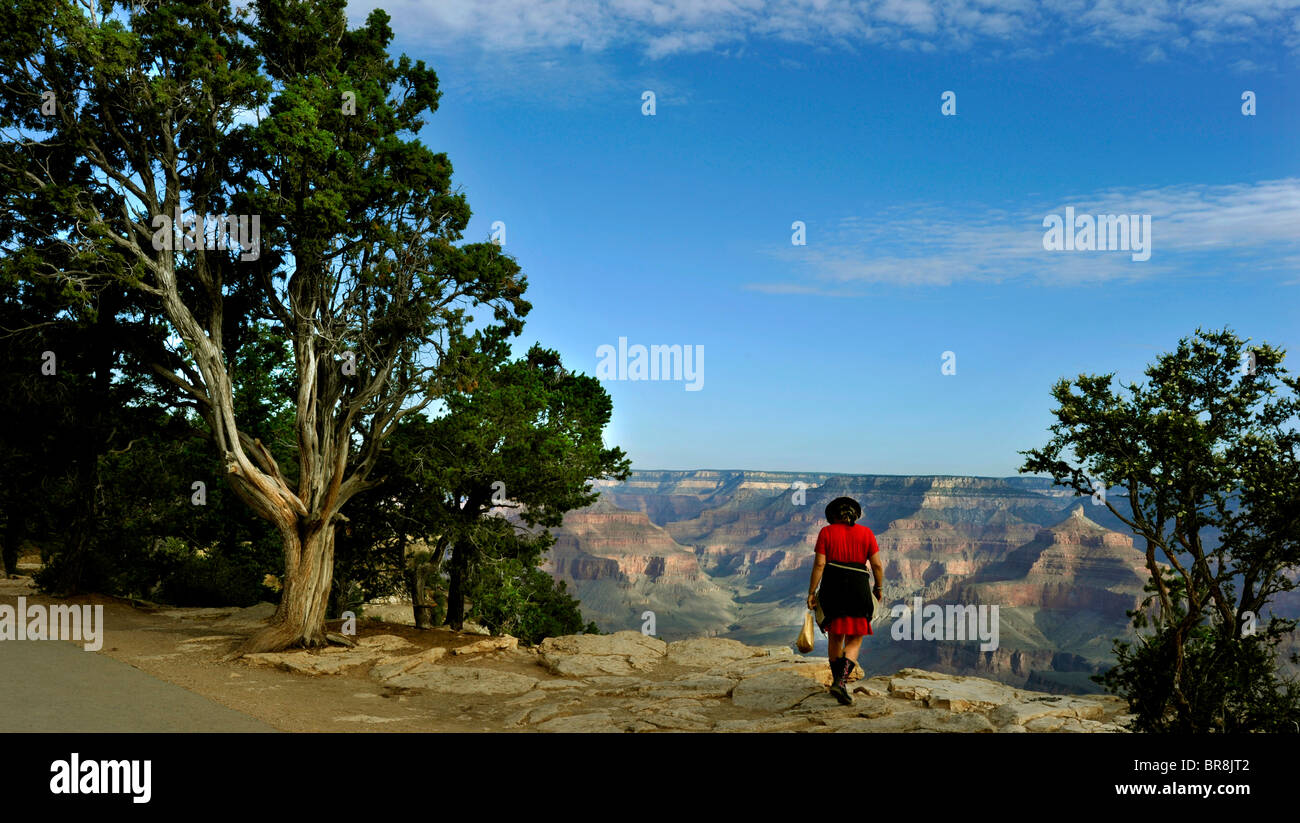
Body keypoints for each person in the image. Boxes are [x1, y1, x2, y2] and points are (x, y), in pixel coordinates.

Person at [806, 496, 884, 705]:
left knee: (835, 637)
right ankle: (840, 682)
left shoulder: (826, 532)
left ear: (832, 516)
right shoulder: (866, 533)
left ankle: (836, 682)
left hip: (833, 588)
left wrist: (812, 592)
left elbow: (820, 565)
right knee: (855, 638)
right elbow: (877, 565)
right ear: (855, 514)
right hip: (859, 588)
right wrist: (878, 587)